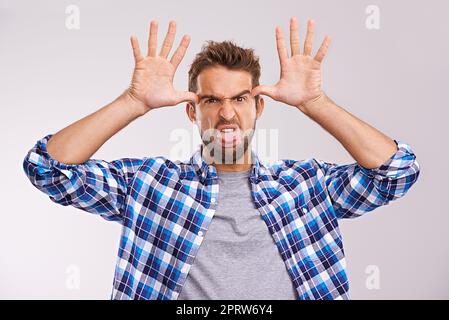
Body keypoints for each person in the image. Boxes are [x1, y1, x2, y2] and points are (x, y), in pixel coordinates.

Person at [23, 18, 420, 300]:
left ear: (259, 107)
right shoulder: (150, 184)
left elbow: (397, 171)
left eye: (240, 99)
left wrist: (316, 103)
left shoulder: (305, 186)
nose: (227, 113)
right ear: (192, 111)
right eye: (211, 100)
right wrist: (133, 102)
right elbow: (47, 168)